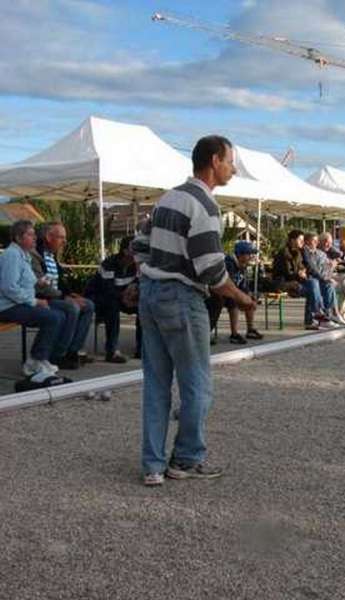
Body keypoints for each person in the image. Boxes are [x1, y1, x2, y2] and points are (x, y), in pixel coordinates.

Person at [138, 135, 255, 486]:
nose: (233, 169)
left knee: (156, 385)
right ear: (214, 160)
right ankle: (186, 459)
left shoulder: (167, 198)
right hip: (182, 298)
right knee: (197, 386)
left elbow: (139, 245)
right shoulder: (204, 206)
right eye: (230, 161)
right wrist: (242, 298)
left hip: (151, 294)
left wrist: (148, 276)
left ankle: (153, 466)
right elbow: (211, 271)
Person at [0, 220, 66, 381]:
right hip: (6, 306)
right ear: (18, 237)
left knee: (59, 315)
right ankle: (34, 362)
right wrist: (35, 301)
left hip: (18, 303)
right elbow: (9, 288)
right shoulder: (12, 255)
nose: (35, 238)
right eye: (30, 234)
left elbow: (23, 281)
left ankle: (41, 358)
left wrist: (39, 282)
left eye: (34, 234)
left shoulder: (24, 255)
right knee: (53, 317)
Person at [31, 222, 95, 369]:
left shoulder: (51, 255)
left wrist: (71, 294)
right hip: (42, 298)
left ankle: (73, 351)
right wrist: (65, 297)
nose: (64, 241)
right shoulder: (36, 254)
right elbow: (41, 287)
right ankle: (58, 355)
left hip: (55, 296)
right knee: (72, 308)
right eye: (61, 237)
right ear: (48, 237)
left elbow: (60, 282)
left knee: (88, 305)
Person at [85, 236, 141, 362]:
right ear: (125, 251)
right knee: (112, 306)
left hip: (122, 298)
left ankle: (141, 349)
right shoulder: (109, 264)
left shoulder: (137, 266)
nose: (139, 252)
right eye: (136, 249)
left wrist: (134, 297)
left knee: (143, 307)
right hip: (99, 297)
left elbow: (138, 285)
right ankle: (112, 351)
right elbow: (106, 289)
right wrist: (123, 296)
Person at [271, 229, 333, 330]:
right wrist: (299, 274)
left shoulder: (302, 251)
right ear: (292, 240)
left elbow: (309, 267)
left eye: (303, 240)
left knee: (324, 285)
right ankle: (316, 316)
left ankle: (324, 316)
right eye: (300, 240)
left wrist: (323, 278)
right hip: (285, 283)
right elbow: (286, 273)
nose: (302, 242)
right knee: (312, 286)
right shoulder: (283, 253)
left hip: (299, 281)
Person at [206, 240, 263, 344]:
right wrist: (240, 297)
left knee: (250, 299)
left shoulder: (243, 266)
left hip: (229, 292)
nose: (251, 256)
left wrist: (250, 297)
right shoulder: (229, 264)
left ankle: (250, 329)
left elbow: (243, 285)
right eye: (249, 254)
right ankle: (233, 334)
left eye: (252, 254)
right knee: (231, 302)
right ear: (240, 254)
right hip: (216, 292)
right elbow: (228, 285)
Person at [302, 232, 345, 325]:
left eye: (317, 241)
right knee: (319, 284)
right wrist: (325, 277)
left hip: (322, 277)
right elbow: (312, 269)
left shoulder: (319, 252)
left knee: (341, 282)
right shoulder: (306, 252)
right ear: (306, 242)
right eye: (314, 241)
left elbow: (340, 255)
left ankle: (331, 314)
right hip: (311, 279)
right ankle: (325, 315)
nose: (316, 243)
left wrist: (332, 265)